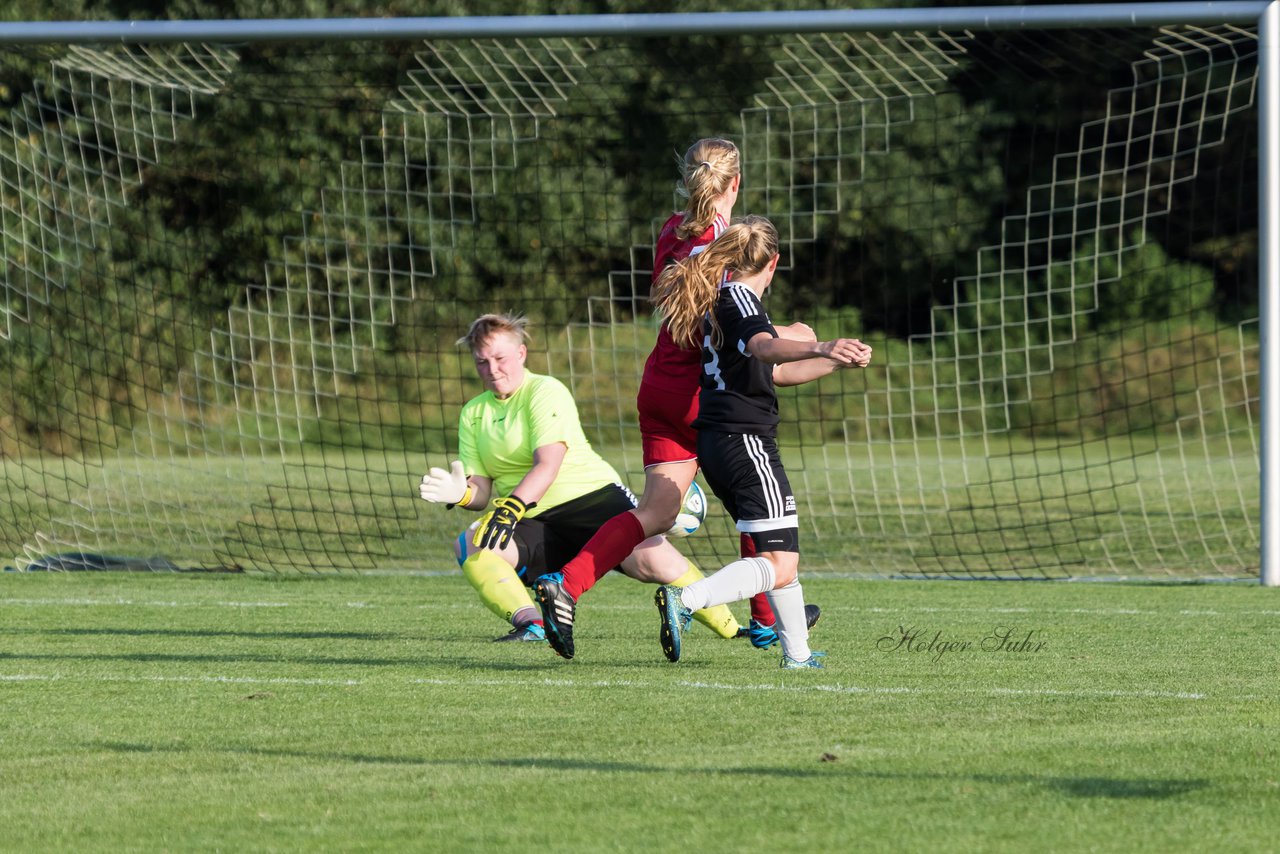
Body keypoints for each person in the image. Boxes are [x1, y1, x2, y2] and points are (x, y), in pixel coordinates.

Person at [534, 137, 817, 659]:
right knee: (757, 503)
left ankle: (566, 585)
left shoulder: (673, 228)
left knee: (657, 511)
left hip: (659, 384)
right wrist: (805, 338)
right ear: (735, 182)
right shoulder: (729, 242)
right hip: (703, 393)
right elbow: (731, 323)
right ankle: (764, 619)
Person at [418, 312, 742, 643]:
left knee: (653, 562)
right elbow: (481, 492)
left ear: (520, 354)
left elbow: (548, 464)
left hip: (592, 499)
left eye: (499, 358)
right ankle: (532, 625)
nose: (492, 369)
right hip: (532, 517)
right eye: (481, 362)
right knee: (472, 545)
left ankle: (733, 628)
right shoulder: (473, 413)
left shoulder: (544, 391)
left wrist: (509, 508)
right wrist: (462, 493)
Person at [653, 215, 872, 669]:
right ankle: (688, 599)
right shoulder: (739, 300)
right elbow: (764, 348)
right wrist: (820, 344)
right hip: (745, 443)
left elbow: (775, 372)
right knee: (780, 562)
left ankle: (798, 655)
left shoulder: (724, 300)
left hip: (724, 442)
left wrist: (835, 361)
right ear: (774, 262)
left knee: (780, 555)